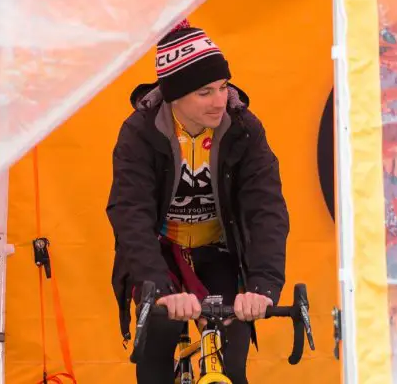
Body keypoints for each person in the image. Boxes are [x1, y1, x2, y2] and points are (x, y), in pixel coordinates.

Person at [107, 20, 289, 384]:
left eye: (223, 87)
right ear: (175, 95)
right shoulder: (139, 132)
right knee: (157, 353)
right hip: (161, 253)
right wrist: (157, 289)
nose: (220, 100)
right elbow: (130, 213)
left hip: (220, 250)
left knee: (232, 366)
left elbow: (266, 208)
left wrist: (263, 286)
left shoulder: (244, 128)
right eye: (205, 92)